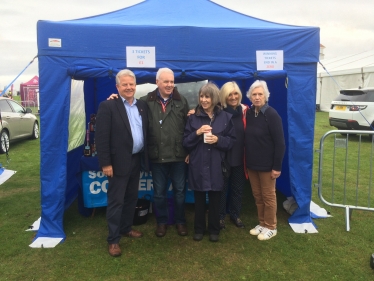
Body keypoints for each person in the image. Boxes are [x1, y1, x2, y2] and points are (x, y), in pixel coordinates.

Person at [95, 69, 149, 257]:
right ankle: (113, 239)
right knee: (116, 201)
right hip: (117, 163)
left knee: (131, 198)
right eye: (124, 84)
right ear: (117, 87)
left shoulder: (142, 105)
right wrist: (106, 163)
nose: (128, 87)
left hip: (136, 159)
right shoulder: (108, 106)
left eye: (131, 84)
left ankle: (126, 228)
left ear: (136, 86)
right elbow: (101, 138)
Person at [140, 68, 190, 237]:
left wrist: (189, 151)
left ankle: (180, 221)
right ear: (157, 82)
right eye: (166, 81)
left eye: (171, 81)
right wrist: (116, 98)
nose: (169, 85)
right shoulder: (145, 101)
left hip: (178, 155)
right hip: (157, 155)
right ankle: (161, 222)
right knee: (159, 193)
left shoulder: (182, 101)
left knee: (180, 192)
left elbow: (188, 128)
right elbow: (128, 106)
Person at [183, 83, 235, 242]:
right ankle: (198, 229)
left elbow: (232, 141)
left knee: (215, 198)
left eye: (207, 97)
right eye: (201, 96)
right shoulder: (193, 117)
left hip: (216, 164)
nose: (204, 100)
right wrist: (197, 133)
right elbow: (185, 142)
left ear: (214, 98)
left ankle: (214, 229)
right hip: (198, 163)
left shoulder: (226, 117)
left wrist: (218, 140)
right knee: (198, 199)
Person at [245, 80, 285, 241]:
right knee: (258, 195)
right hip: (252, 164)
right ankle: (262, 223)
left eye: (260, 94)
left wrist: (277, 167)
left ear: (266, 96)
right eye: (254, 94)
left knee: (268, 196)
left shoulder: (272, 114)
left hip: (268, 166)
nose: (257, 97)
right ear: (250, 96)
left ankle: (271, 226)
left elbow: (280, 143)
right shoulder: (249, 113)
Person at [218, 82, 249, 230]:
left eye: (235, 93)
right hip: (223, 157)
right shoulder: (219, 111)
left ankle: (235, 215)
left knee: (237, 188)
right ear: (224, 96)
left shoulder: (245, 111)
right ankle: (220, 217)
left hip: (239, 157)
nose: (233, 97)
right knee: (222, 189)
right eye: (229, 94)